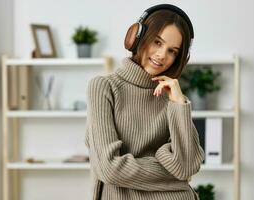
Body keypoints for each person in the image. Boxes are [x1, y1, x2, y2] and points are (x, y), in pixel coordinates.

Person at [85, 4, 204, 200]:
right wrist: (173, 171)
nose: (162, 55)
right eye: (157, 42)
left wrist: (179, 104)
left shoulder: (173, 98)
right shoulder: (103, 87)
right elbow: (109, 168)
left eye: (172, 51)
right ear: (137, 37)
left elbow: (189, 166)